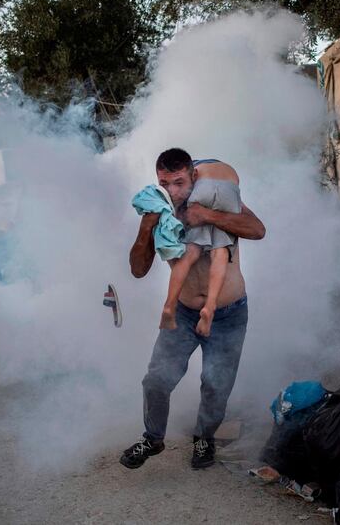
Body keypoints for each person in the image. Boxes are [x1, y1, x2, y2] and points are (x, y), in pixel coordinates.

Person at [121, 148, 265, 470]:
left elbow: (257, 230)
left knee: (216, 384)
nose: (173, 191)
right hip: (183, 314)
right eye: (164, 183)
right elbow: (137, 269)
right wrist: (147, 227)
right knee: (156, 380)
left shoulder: (215, 198)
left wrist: (207, 216)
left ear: (193, 176)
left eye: (179, 182)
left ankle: (204, 437)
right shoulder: (159, 210)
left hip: (227, 313)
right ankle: (153, 438)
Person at [158, 155, 242, 337]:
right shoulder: (221, 171)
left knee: (190, 254)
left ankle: (169, 305)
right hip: (227, 191)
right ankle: (210, 307)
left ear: (193, 173)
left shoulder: (193, 182)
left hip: (201, 195)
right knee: (220, 252)